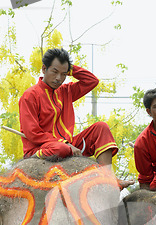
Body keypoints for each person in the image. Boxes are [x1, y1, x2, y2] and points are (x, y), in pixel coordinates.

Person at [19, 47, 134, 187]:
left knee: (101, 128)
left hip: (69, 146)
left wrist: (71, 69)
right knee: (61, 149)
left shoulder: (66, 91)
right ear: (44, 69)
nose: (58, 78)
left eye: (63, 74)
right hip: (43, 148)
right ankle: (41, 156)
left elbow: (92, 81)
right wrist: (64, 143)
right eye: (55, 71)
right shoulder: (30, 95)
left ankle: (107, 179)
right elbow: (32, 133)